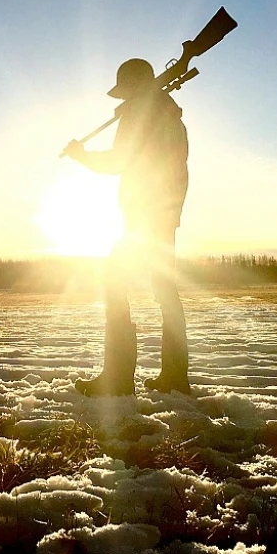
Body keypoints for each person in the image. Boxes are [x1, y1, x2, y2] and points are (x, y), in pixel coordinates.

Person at [63, 58, 190, 396]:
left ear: (133, 88)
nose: (120, 101)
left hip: (142, 215)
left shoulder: (142, 114)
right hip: (163, 213)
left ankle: (118, 379)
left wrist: (82, 155)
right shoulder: (166, 112)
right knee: (165, 292)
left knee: (114, 283)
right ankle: (176, 378)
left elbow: (121, 161)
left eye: (124, 93)